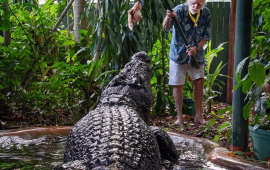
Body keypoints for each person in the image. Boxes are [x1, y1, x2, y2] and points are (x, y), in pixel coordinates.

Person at [162, 0, 211, 127]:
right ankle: (179, 118)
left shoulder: (206, 13)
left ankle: (198, 115)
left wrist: (196, 48)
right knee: (177, 84)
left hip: (196, 54)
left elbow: (206, 35)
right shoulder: (178, 10)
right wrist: (168, 17)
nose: (196, 6)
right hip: (178, 54)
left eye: (199, 4)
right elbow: (166, 28)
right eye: (194, 3)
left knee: (199, 81)